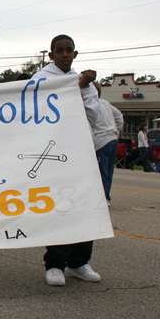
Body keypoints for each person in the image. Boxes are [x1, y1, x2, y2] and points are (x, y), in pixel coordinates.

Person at [32, 34, 103, 287]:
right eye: (59, 51)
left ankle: (79, 262)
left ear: (75, 54)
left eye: (69, 50)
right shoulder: (41, 79)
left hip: (81, 154)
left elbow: (95, 116)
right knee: (61, 206)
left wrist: (83, 87)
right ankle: (55, 264)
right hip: (54, 155)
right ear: (50, 55)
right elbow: (36, 112)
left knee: (84, 205)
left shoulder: (86, 83)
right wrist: (77, 86)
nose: (64, 54)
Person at [92, 82, 123, 205]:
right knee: (109, 170)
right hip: (113, 139)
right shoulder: (106, 103)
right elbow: (119, 116)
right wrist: (117, 130)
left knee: (101, 171)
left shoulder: (90, 105)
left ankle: (103, 197)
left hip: (101, 141)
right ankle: (106, 196)